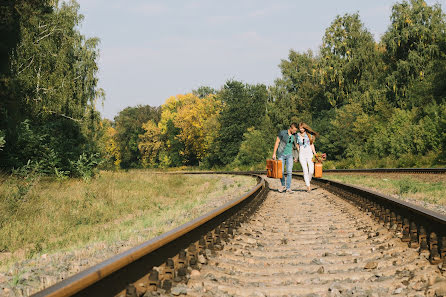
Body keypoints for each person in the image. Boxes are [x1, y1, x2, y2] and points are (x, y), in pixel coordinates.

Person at [272, 123, 299, 193]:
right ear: (291, 128)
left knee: (289, 171)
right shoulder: (282, 133)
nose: (295, 132)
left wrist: (296, 156)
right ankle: (283, 185)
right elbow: (277, 142)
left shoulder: (295, 136)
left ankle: (288, 188)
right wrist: (274, 153)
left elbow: (296, 146)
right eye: (294, 130)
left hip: (290, 155)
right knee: (281, 171)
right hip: (281, 154)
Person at [296, 122, 318, 192]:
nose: (301, 129)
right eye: (300, 128)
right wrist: (299, 151)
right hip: (302, 153)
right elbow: (297, 145)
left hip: (309, 152)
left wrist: (315, 153)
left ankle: (307, 180)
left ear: (305, 128)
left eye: (302, 128)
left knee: (311, 170)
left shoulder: (309, 135)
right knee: (305, 170)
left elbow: (311, 145)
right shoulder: (297, 135)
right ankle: (308, 186)